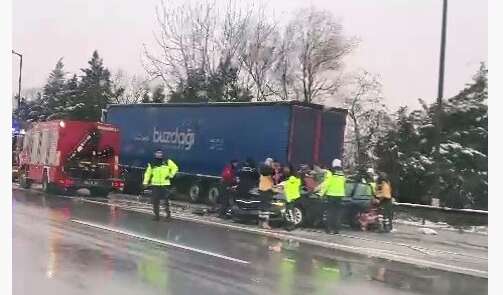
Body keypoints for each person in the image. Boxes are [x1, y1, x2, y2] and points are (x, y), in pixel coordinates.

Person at [143, 150, 179, 221]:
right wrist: (145, 182)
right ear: (155, 154)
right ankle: (156, 216)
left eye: (160, 153)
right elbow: (147, 173)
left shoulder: (167, 162)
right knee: (155, 201)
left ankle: (168, 216)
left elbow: (175, 168)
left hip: (165, 184)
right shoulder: (152, 163)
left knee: (166, 201)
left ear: (162, 154)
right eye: (157, 153)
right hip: (155, 185)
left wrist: (170, 175)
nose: (159, 155)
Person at [317, 159, 346, 234]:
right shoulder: (342, 174)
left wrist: (320, 193)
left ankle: (329, 229)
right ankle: (336, 229)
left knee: (330, 212)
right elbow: (344, 185)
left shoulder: (331, 173)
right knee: (337, 213)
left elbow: (326, 184)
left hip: (331, 195)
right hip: (339, 195)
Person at [281, 164, 302, 231]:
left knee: (290, 212)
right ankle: (289, 225)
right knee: (289, 211)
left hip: (291, 197)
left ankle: (291, 226)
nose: (285, 170)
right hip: (291, 197)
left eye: (286, 168)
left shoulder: (292, 178)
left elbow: (287, 185)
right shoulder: (295, 178)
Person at [258, 157, 275, 229]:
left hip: (261, 190)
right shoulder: (268, 172)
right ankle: (265, 223)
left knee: (262, 207)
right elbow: (271, 178)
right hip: (267, 190)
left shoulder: (262, 172)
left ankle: (261, 222)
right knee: (266, 208)